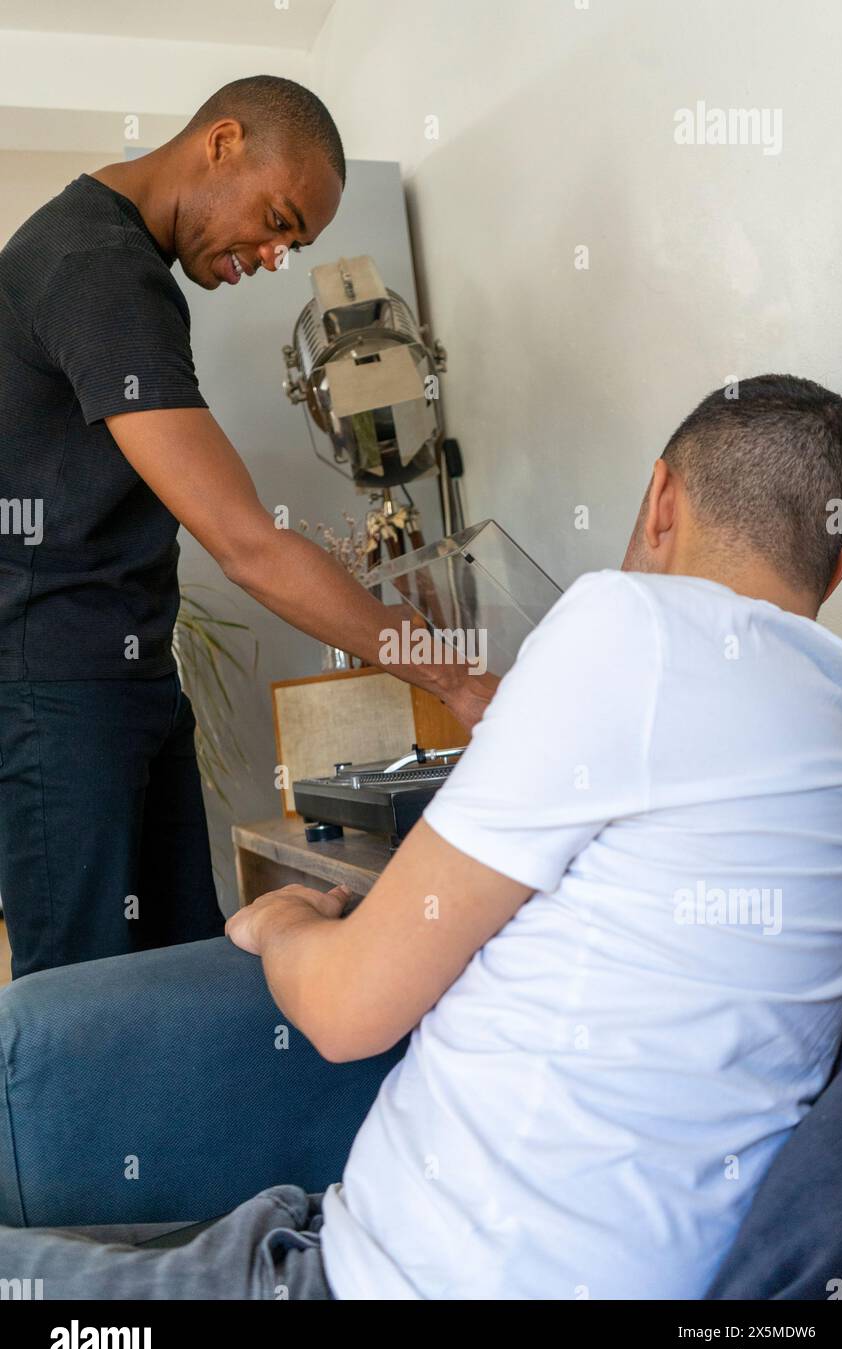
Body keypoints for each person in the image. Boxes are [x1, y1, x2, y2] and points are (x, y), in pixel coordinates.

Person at [1, 373, 842, 1299]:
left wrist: (279, 923)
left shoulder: (630, 622)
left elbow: (345, 1012)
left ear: (661, 498)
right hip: (385, 1229)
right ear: (836, 572)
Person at [0, 75, 488, 979]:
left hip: (129, 677)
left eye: (293, 243)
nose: (273, 256)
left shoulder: (124, 265)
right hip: (58, 693)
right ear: (222, 141)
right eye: (276, 219)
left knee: (183, 964)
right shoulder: (98, 269)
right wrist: (458, 681)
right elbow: (248, 546)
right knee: (82, 1001)